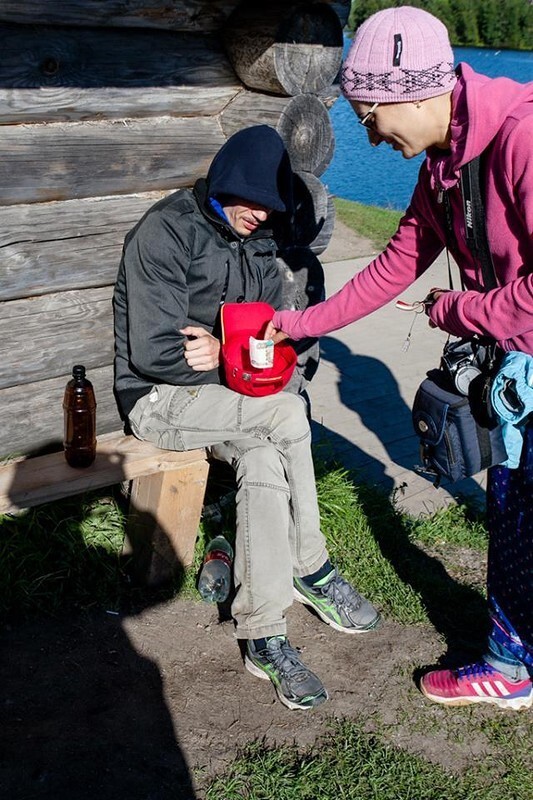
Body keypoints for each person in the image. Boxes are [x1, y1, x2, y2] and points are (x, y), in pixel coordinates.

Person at [267, 7, 533, 711]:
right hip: (516, 367)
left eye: (370, 116)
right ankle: (511, 659)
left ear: (415, 93)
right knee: (511, 514)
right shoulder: (445, 161)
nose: (371, 136)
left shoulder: (524, 139)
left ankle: (510, 668)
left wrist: (459, 311)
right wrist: (298, 324)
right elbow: (395, 263)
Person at [113, 125, 380, 711]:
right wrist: (227, 357)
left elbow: (260, 337)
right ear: (225, 183)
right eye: (250, 200)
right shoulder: (166, 232)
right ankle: (312, 565)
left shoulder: (259, 245)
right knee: (286, 414)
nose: (260, 214)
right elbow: (155, 353)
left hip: (224, 398)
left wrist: (221, 347)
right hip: (159, 399)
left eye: (270, 205)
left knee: (263, 456)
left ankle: (263, 632)